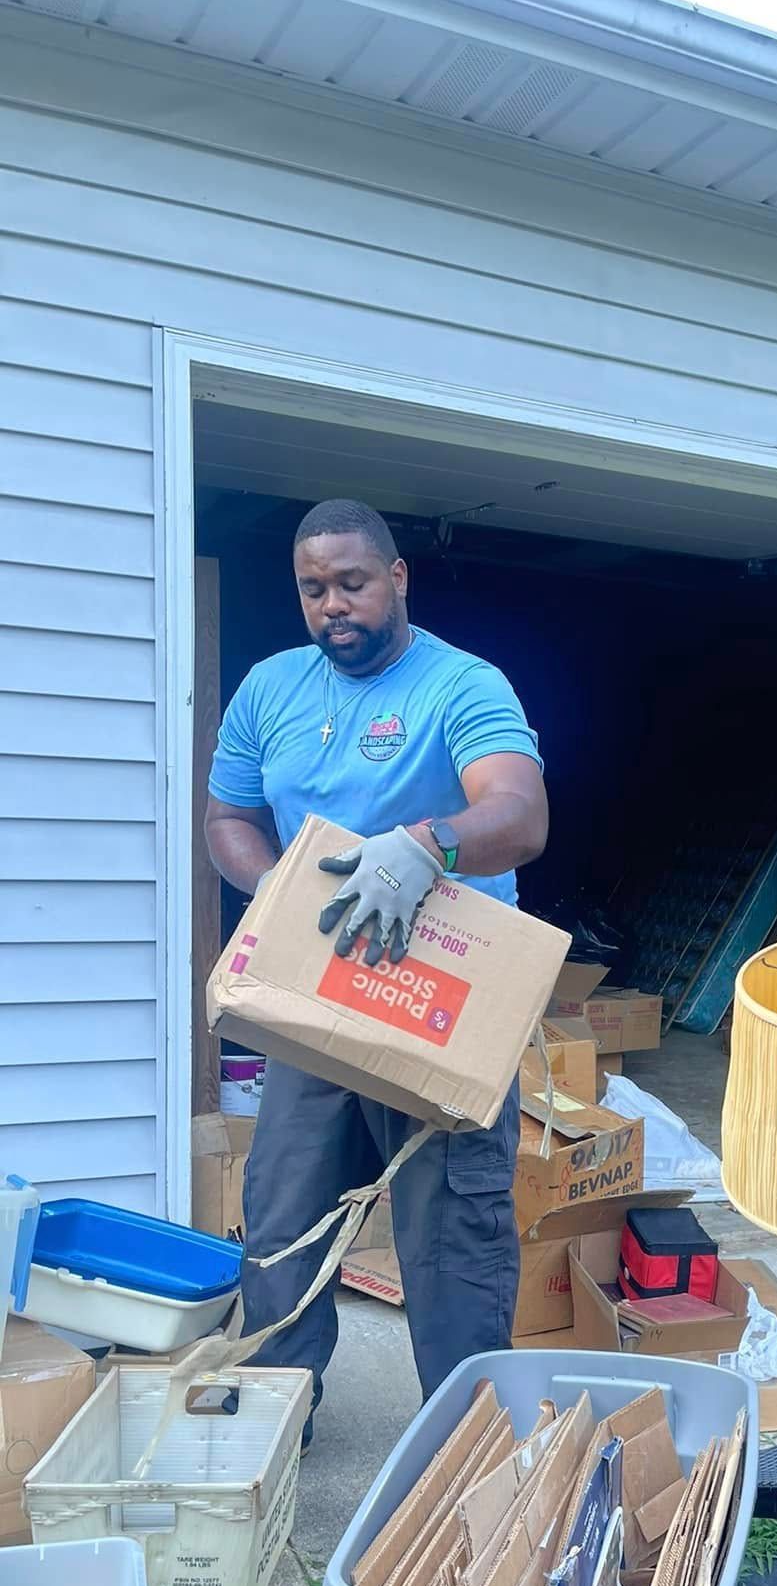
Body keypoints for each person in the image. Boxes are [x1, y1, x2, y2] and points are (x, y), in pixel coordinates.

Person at [204, 498, 548, 1445]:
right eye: (313, 589)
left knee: (452, 1235)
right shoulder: (270, 689)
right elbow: (228, 818)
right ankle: (278, 1419)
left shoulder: (462, 684)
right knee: (283, 1214)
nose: (333, 606)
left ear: (397, 577)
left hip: (441, 1000)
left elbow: (520, 813)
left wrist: (429, 845)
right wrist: (272, 889)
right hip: (316, 994)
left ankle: (467, 1442)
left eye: (352, 583)